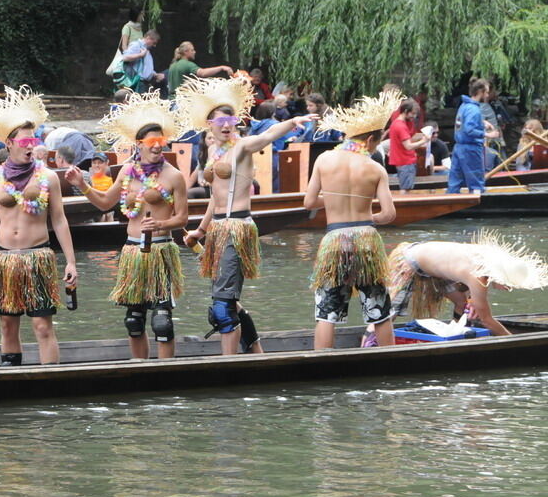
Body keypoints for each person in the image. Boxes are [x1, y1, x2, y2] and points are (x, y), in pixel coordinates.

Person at [178, 77, 319, 355]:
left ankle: (229, 362)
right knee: (223, 301)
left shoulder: (240, 147)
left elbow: (265, 137)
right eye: (221, 122)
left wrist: (292, 122)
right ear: (210, 125)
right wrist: (201, 230)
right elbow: (215, 199)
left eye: (230, 120)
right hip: (217, 229)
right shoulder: (213, 151)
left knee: (223, 305)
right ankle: (255, 350)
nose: (228, 126)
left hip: (237, 227)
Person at [67, 92, 187, 359]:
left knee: (162, 321)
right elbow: (105, 203)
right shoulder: (126, 171)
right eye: (152, 142)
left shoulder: (174, 176)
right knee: (134, 320)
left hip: (160, 251)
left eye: (161, 141)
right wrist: (83, 185)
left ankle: (166, 374)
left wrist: (162, 222)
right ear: (139, 144)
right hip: (132, 251)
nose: (158, 146)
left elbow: (182, 218)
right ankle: (139, 368)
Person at [0, 86, 78, 366]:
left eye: (34, 140)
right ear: (9, 143)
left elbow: (59, 220)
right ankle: (9, 379)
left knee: (42, 325)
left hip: (38, 256)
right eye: (24, 141)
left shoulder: (48, 178)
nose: (31, 145)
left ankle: (49, 381)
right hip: (4, 259)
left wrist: (71, 262)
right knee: (7, 324)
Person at [302, 90, 400, 350]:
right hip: (367, 238)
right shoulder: (376, 168)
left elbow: (309, 203)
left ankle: (321, 363)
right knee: (379, 308)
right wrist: (367, 217)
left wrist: (333, 202)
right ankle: (390, 359)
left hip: (334, 240)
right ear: (369, 140)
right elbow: (389, 214)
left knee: (326, 313)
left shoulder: (324, 159)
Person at [387, 231, 548, 336]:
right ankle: (370, 343)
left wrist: (471, 301)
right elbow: (486, 319)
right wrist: (512, 340)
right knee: (386, 315)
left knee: (461, 302)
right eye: (509, 284)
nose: (509, 288)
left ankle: (456, 333)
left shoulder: (487, 256)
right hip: (409, 261)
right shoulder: (477, 278)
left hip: (438, 266)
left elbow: (463, 273)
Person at [448, 78, 499, 194]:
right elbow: (469, 130)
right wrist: (488, 134)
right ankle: (478, 202)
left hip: (459, 148)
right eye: (486, 92)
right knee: (476, 179)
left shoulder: (464, 106)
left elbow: (465, 123)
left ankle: (451, 200)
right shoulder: (474, 109)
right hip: (471, 149)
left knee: (455, 179)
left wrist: (482, 123)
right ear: (480, 92)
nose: (487, 95)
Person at [388, 98, 428, 192]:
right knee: (406, 189)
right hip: (405, 161)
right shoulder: (401, 126)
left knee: (406, 187)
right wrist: (423, 141)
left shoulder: (397, 123)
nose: (414, 116)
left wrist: (422, 136)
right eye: (412, 113)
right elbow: (408, 146)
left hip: (402, 161)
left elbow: (409, 139)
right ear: (406, 111)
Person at [166, 41, 233, 98]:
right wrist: (221, 67)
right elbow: (202, 73)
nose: (194, 52)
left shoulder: (173, 65)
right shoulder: (187, 64)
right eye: (192, 50)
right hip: (182, 102)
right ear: (186, 52)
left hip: (172, 102)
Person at [121, 30, 166, 96]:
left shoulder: (145, 48)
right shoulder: (136, 45)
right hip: (138, 82)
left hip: (144, 83)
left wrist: (155, 74)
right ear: (148, 38)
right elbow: (125, 58)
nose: (154, 45)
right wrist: (140, 55)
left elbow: (145, 66)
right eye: (154, 43)